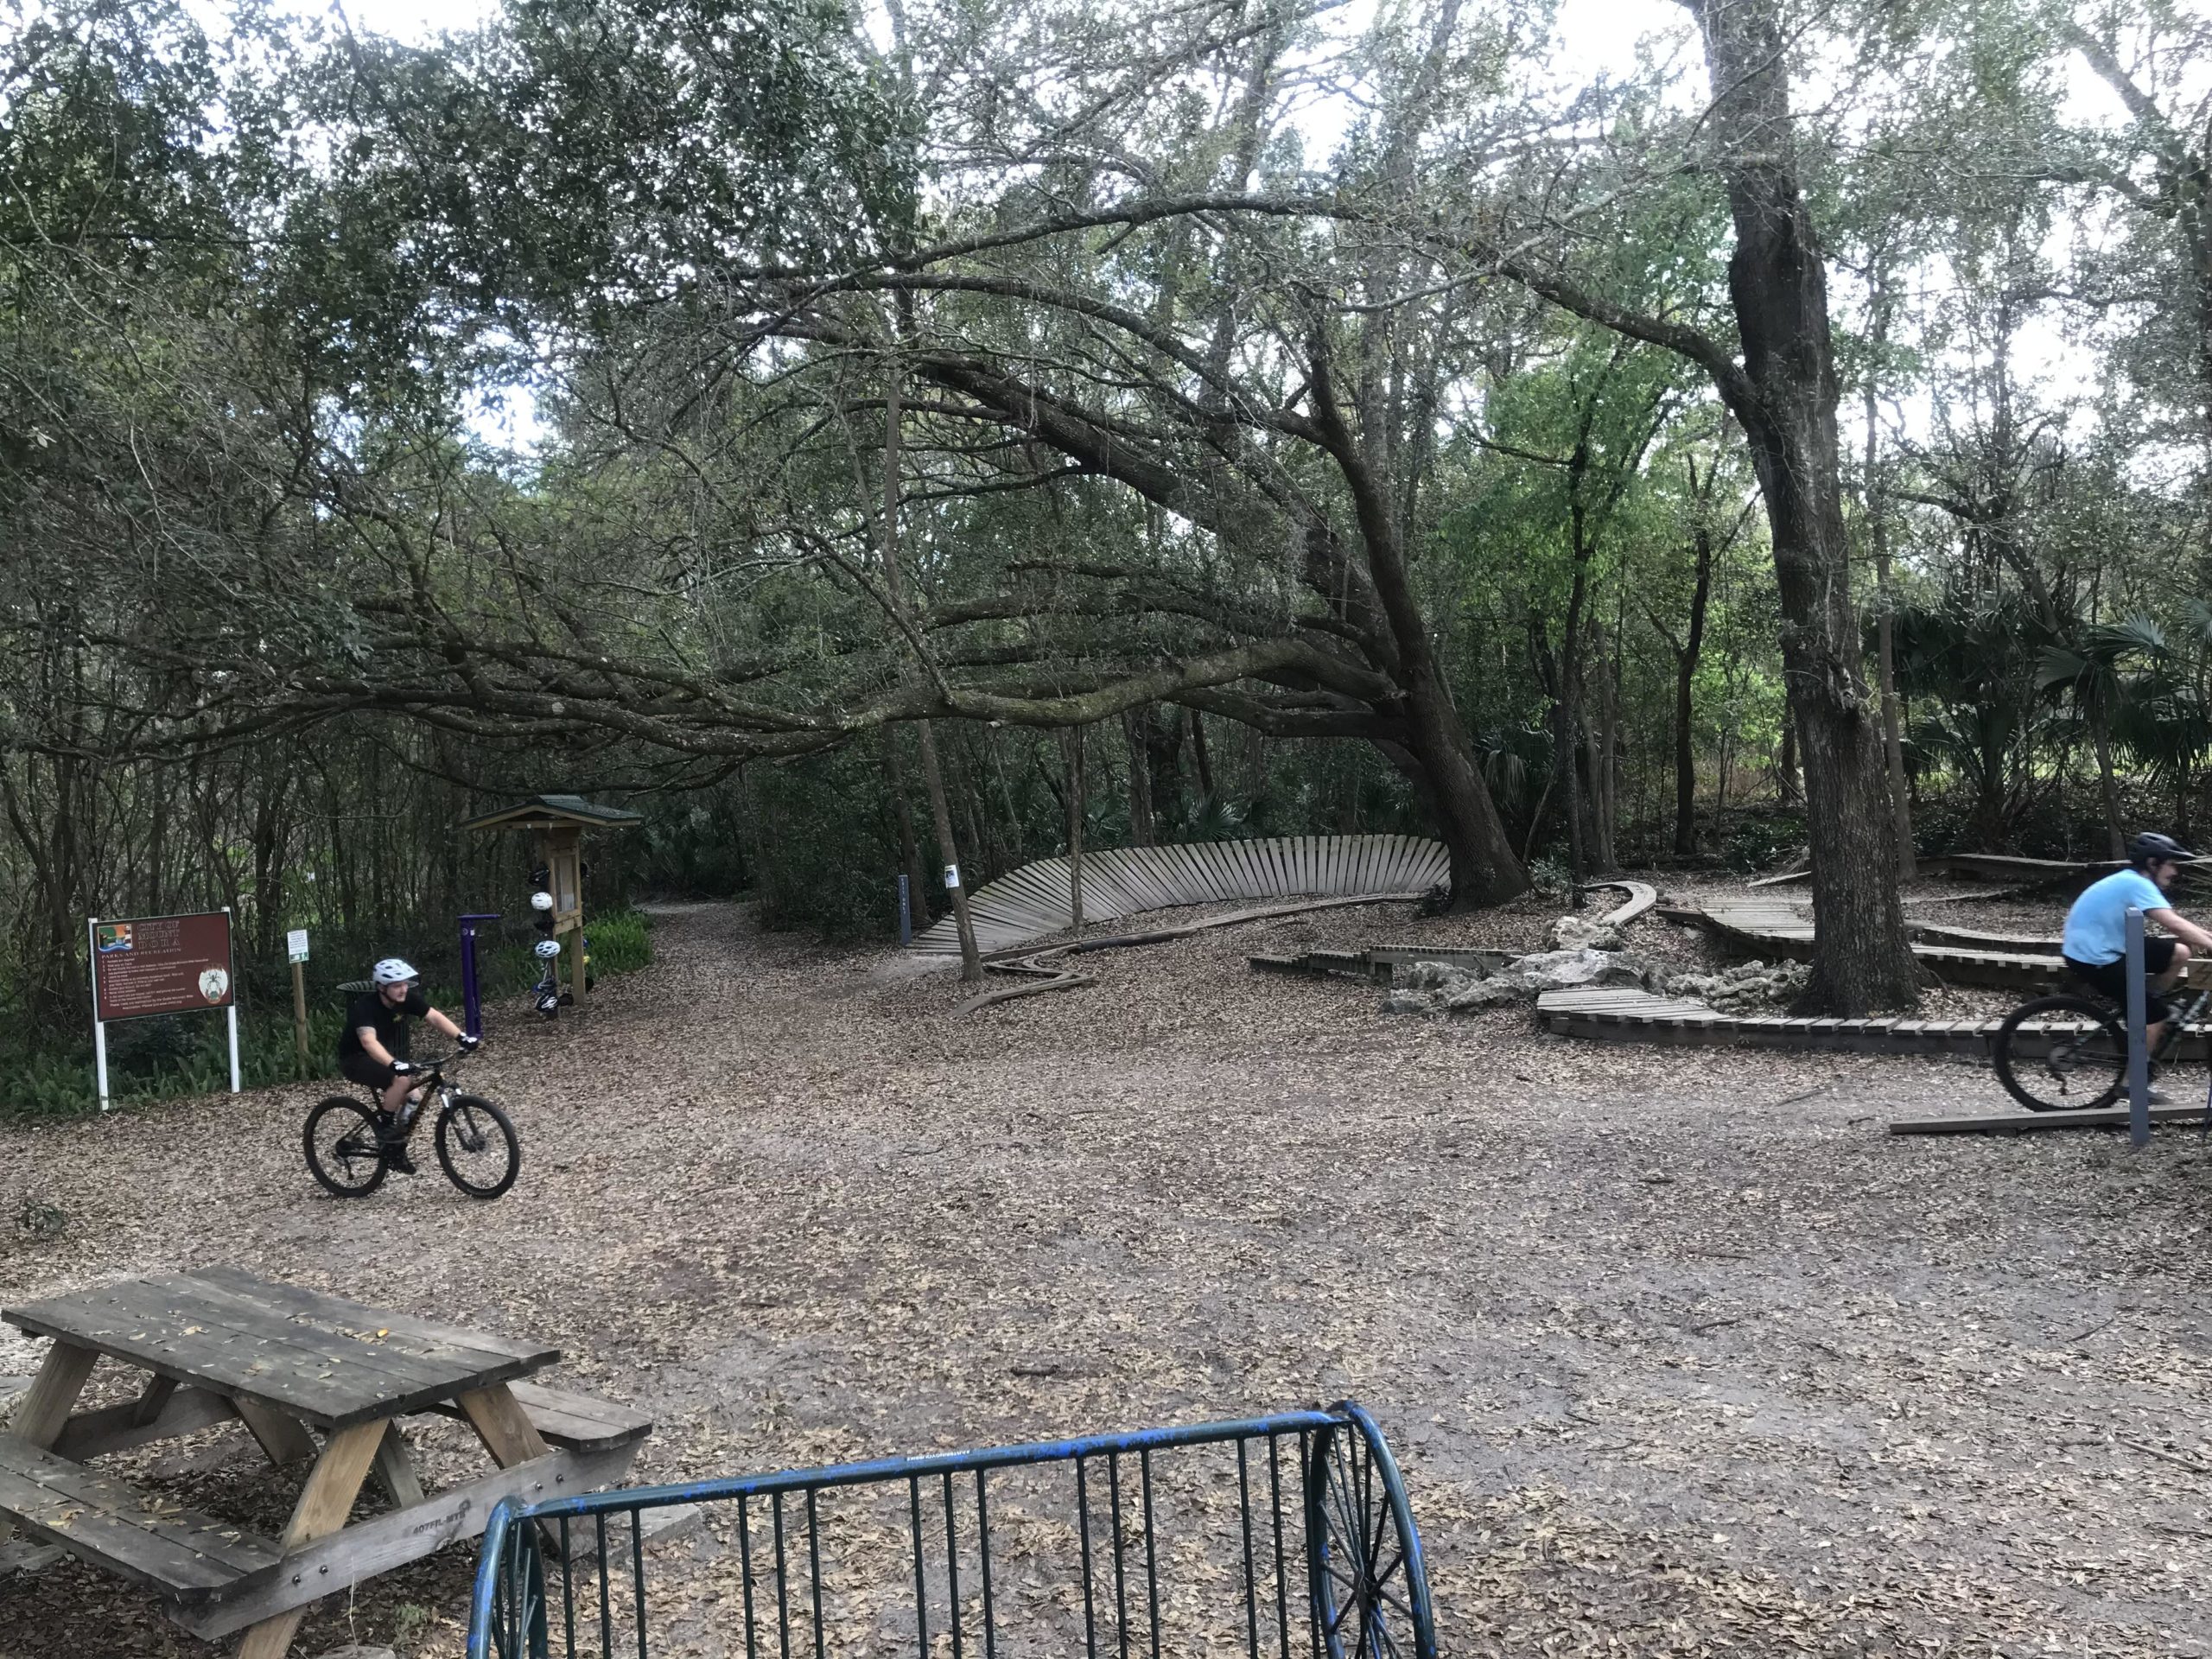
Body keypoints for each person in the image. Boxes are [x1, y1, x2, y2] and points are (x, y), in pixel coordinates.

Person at [2062, 833, 2212, 1088]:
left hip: (2107, 945)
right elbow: (2173, 923)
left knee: (2180, 953)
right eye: (2171, 864)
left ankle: (2148, 1001)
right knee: (2153, 1016)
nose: (2175, 871)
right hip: (2095, 957)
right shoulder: (2138, 884)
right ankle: (2132, 1084)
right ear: (2153, 863)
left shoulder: (2131, 880)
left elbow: (2183, 930)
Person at [338, 958, 476, 1172]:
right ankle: (385, 1127)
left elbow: (434, 1017)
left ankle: (395, 1150)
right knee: (402, 1079)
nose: (403, 989)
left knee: (414, 1098)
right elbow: (369, 1042)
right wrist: (394, 1064)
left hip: (382, 1055)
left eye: (404, 983)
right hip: (355, 1058)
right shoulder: (365, 1007)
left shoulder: (405, 999)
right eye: (396, 985)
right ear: (382, 988)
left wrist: (461, 1037)